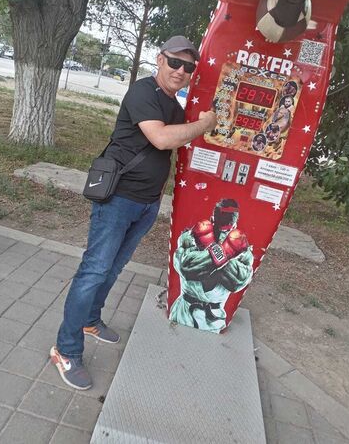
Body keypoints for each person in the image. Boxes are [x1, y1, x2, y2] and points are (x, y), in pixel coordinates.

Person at [50, 36, 217, 390]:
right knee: (94, 270)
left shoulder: (173, 103)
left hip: (147, 202)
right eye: (175, 62)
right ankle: (65, 350)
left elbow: (174, 140)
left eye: (189, 67)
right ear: (160, 60)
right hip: (118, 199)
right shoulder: (143, 92)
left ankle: (90, 320)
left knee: (113, 267)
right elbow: (161, 139)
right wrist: (205, 125)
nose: (181, 71)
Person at [169, 199, 254, 333]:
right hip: (183, 311)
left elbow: (238, 282)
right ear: (212, 218)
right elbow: (185, 267)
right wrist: (222, 252)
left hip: (214, 318)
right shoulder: (191, 236)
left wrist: (220, 251)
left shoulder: (242, 249)